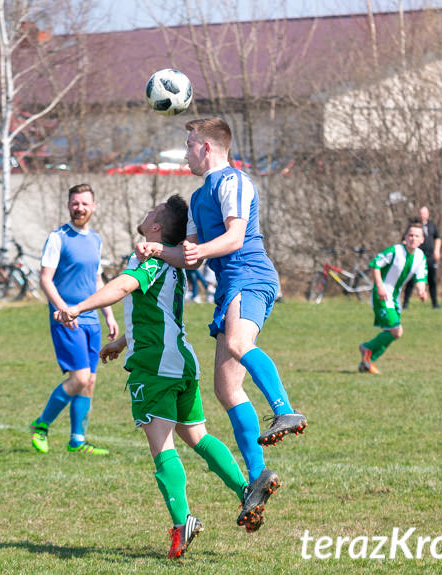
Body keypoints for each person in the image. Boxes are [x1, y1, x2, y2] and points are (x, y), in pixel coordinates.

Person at [56, 195, 255, 558]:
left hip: (157, 366)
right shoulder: (170, 262)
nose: (146, 213)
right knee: (197, 435)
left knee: (162, 448)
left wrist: (78, 307)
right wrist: (120, 341)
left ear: (157, 227)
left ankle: (183, 523)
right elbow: (155, 315)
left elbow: (122, 287)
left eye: (152, 212)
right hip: (181, 361)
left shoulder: (150, 259)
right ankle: (246, 490)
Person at [135, 118, 306, 524]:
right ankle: (256, 478)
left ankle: (285, 409)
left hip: (251, 274)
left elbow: (233, 239)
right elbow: (190, 253)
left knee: (238, 344)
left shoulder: (233, 182)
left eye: (189, 144)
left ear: (207, 147)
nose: (186, 153)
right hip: (230, 286)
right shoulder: (196, 199)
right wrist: (157, 250)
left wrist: (196, 252)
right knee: (226, 389)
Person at [28, 183, 119, 456]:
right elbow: (45, 278)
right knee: (79, 378)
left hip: (91, 320)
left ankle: (77, 440)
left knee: (89, 381)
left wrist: (109, 314)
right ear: (69, 205)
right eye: (75, 203)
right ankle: (41, 425)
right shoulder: (58, 238)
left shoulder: (96, 239)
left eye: (84, 203)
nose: (79, 208)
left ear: (94, 206)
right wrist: (63, 309)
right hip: (67, 319)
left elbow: (96, 279)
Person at [358, 222, 427, 374]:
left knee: (392, 333)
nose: (413, 238)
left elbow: (421, 277)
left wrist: (422, 291)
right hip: (381, 295)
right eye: (410, 235)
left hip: (395, 298)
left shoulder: (420, 257)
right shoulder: (396, 250)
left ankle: (368, 361)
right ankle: (367, 348)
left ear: (422, 240)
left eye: (417, 236)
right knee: (396, 330)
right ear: (405, 237)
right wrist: (380, 286)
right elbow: (375, 264)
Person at [403, 206, 442, 309]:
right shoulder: (413, 226)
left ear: (428, 214)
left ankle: (435, 303)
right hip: (416, 257)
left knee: (432, 280)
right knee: (410, 280)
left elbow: (437, 238)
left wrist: (437, 250)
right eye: (421, 213)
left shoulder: (432, 225)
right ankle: (405, 303)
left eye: (424, 213)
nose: (422, 215)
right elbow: (404, 239)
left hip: (429, 257)